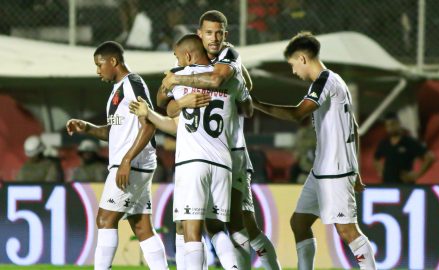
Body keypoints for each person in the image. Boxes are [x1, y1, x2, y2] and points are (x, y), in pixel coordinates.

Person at [161, 10, 281, 270]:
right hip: (221, 156)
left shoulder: (227, 57)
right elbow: (246, 103)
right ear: (199, 35)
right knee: (215, 225)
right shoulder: (207, 66)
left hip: (233, 153)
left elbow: (169, 102)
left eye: (219, 33)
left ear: (226, 35)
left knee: (240, 225)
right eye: (209, 33)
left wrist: (175, 80)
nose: (214, 38)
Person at [251, 32, 376, 270]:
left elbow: (298, 113)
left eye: (292, 64)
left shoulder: (325, 81)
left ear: (302, 58)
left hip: (335, 171)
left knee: (348, 230)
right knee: (299, 222)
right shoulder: (336, 82)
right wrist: (356, 170)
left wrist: (256, 104)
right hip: (323, 171)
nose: (293, 71)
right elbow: (355, 128)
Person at [65, 41, 168, 270]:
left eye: (99, 64)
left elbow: (149, 125)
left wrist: (127, 160)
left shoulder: (132, 83)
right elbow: (113, 133)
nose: (97, 70)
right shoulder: (117, 90)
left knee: (105, 219)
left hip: (132, 164)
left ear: (113, 61)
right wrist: (87, 127)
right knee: (141, 227)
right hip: (135, 164)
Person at [374, 112, 435, 184]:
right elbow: (376, 158)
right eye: (387, 125)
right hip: (388, 185)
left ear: (398, 123)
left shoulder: (409, 142)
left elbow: (430, 157)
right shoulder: (384, 143)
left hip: (405, 186)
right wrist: (381, 172)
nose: (390, 128)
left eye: (392, 124)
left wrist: (417, 175)